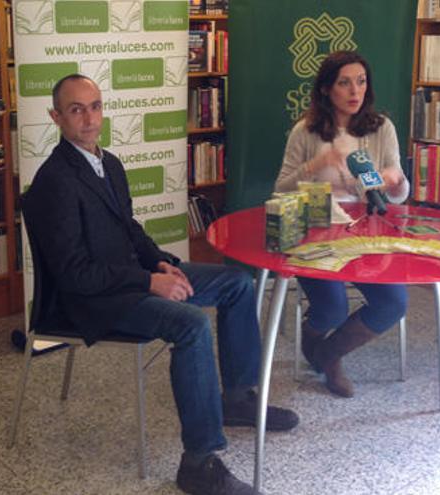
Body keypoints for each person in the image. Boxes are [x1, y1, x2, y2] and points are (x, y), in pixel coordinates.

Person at [23, 74, 299, 495]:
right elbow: (74, 274)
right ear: (56, 116)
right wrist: (147, 281)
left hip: (131, 279)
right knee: (190, 324)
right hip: (92, 300)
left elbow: (129, 230)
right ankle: (198, 462)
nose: (89, 118)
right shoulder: (54, 182)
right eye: (76, 109)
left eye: (95, 106)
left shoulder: (108, 163)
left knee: (236, 282)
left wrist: (162, 263)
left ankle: (237, 398)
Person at [275, 51, 410, 398]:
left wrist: (395, 181)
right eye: (344, 82)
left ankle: (328, 354)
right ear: (326, 89)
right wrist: (314, 164)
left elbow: (398, 190)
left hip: (367, 231)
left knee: (394, 302)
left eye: (361, 82)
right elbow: (281, 188)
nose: (355, 91)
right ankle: (316, 338)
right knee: (333, 307)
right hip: (316, 230)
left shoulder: (382, 129)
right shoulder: (305, 132)